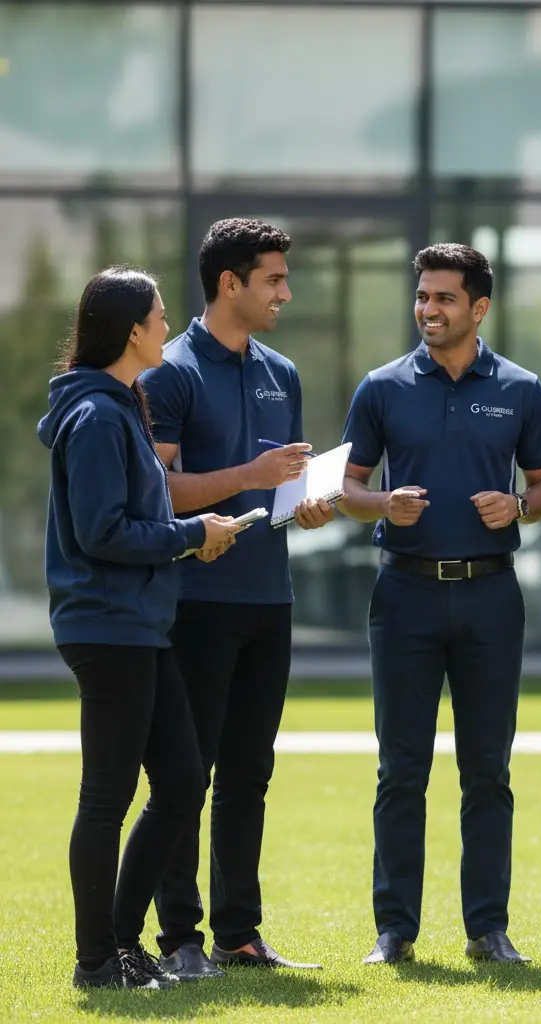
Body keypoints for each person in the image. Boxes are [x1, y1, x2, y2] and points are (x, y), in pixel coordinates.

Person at [340, 243, 541, 965]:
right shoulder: (381, 387)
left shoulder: (522, 389)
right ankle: (394, 931)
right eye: (423, 297)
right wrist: (384, 506)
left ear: (480, 307)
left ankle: (487, 930)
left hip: (493, 597)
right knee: (401, 769)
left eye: (444, 299)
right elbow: (349, 487)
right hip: (403, 594)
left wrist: (521, 506)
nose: (428, 310)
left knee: (488, 770)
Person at [38, 268, 240, 989]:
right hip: (107, 625)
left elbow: (131, 523)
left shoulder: (123, 405)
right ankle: (97, 961)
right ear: (132, 330)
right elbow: (102, 532)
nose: (167, 326)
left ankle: (121, 942)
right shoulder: (96, 416)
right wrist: (189, 535)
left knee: (183, 782)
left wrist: (189, 533)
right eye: (158, 317)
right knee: (107, 798)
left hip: (140, 626)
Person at [142, 219, 332, 980]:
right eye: (274, 280)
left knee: (250, 772)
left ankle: (238, 933)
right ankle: (180, 939)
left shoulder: (281, 371)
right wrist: (251, 475)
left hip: (268, 598)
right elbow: (156, 489)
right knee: (188, 774)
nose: (286, 292)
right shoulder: (171, 371)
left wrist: (305, 501)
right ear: (230, 284)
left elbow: (279, 481)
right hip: (196, 600)